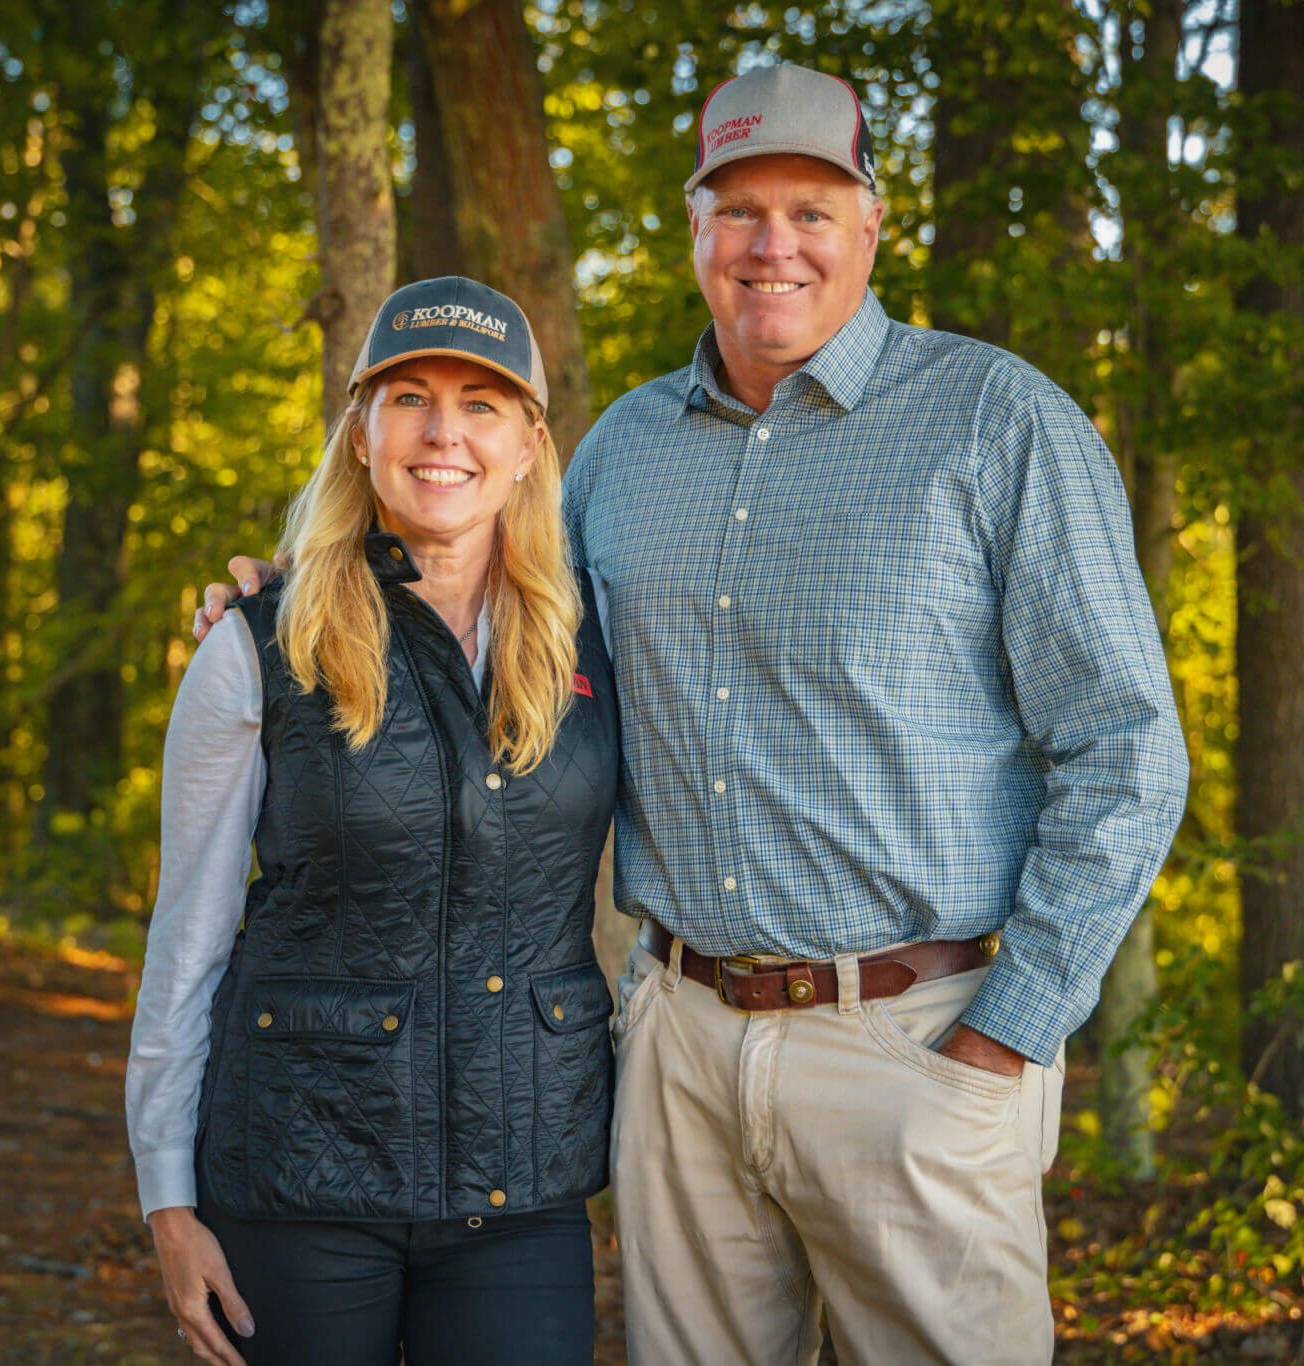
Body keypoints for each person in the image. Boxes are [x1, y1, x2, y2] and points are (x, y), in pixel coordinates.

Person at [200, 63, 1188, 1366]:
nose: (771, 244)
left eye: (810, 208)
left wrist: (1016, 1025)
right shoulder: (619, 451)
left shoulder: (998, 423)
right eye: (739, 209)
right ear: (695, 228)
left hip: (919, 1035)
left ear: (871, 225)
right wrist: (282, 601)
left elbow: (1126, 748)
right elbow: (468, 596)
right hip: (677, 1043)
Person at [131, 276, 619, 1366]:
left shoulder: (596, 639)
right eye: (407, 396)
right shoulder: (255, 644)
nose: (442, 432)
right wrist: (165, 1197)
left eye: (481, 403)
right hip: (300, 1174)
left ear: (530, 444)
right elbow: (188, 937)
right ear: (360, 432)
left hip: (521, 1182)